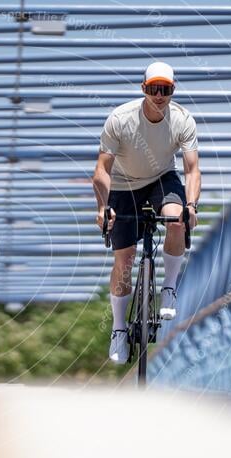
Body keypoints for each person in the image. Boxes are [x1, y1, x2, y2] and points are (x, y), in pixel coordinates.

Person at [92, 61, 201, 364]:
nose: (159, 95)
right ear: (143, 89)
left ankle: (169, 287)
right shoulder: (120, 119)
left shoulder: (182, 119)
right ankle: (118, 328)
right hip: (123, 185)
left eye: (165, 89)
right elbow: (102, 169)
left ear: (172, 91)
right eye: (153, 88)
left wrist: (191, 206)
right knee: (124, 259)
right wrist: (103, 207)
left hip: (160, 179)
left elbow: (192, 170)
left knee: (176, 220)